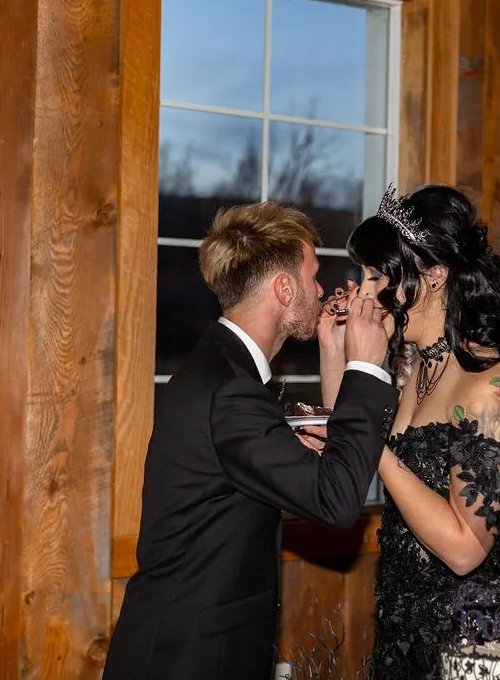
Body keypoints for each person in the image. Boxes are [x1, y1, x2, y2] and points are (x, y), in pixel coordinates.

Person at [103, 202, 398, 680]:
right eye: (312, 276)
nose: (319, 290)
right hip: (186, 660)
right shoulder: (230, 390)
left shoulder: (223, 368)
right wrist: (365, 366)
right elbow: (337, 500)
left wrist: (332, 351)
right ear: (284, 289)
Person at [322, 184, 500, 678]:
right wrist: (337, 353)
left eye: (377, 275)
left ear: (434, 275)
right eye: (362, 275)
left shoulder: (490, 389)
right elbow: (348, 440)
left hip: (479, 638)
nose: (364, 291)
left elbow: (463, 550)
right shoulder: (413, 367)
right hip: (406, 622)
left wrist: (374, 443)